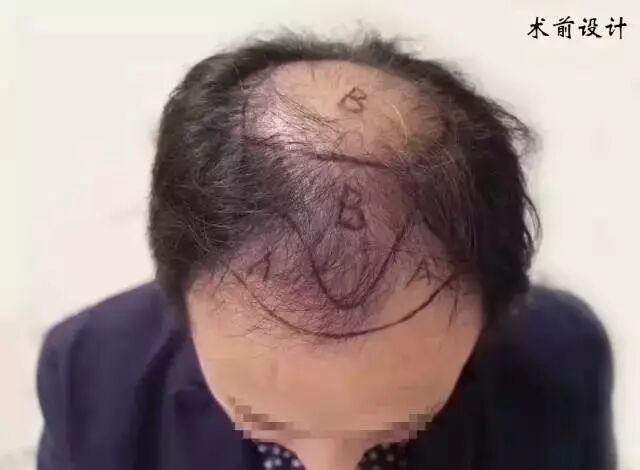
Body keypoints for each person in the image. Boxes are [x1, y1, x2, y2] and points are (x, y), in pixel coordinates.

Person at [36, 31, 616, 470]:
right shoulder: (91, 375)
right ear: (180, 286)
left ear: (493, 306)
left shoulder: (561, 360)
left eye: (398, 428)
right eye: (262, 423)